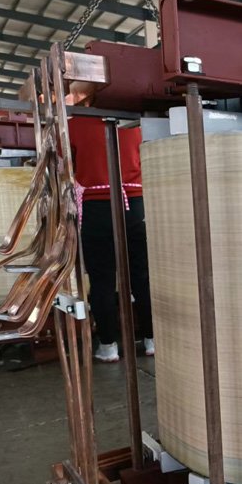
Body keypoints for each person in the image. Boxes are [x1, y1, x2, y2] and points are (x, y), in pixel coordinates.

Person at [69, 113, 154, 362]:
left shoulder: (74, 125)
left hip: (96, 209)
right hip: (135, 205)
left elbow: (63, 166)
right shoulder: (137, 123)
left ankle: (108, 346)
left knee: (102, 281)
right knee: (143, 276)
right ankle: (152, 340)